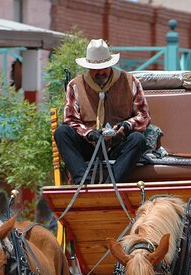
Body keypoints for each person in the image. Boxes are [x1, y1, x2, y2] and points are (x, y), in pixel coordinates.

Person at [54, 39, 150, 184]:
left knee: (138, 139)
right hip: (89, 146)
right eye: (95, 69)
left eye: (104, 67)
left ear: (110, 65)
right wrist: (90, 134)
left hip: (119, 146)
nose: (100, 72)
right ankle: (83, 182)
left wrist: (126, 126)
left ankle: (111, 184)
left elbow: (143, 116)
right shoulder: (74, 86)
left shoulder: (131, 82)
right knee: (62, 132)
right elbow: (70, 120)